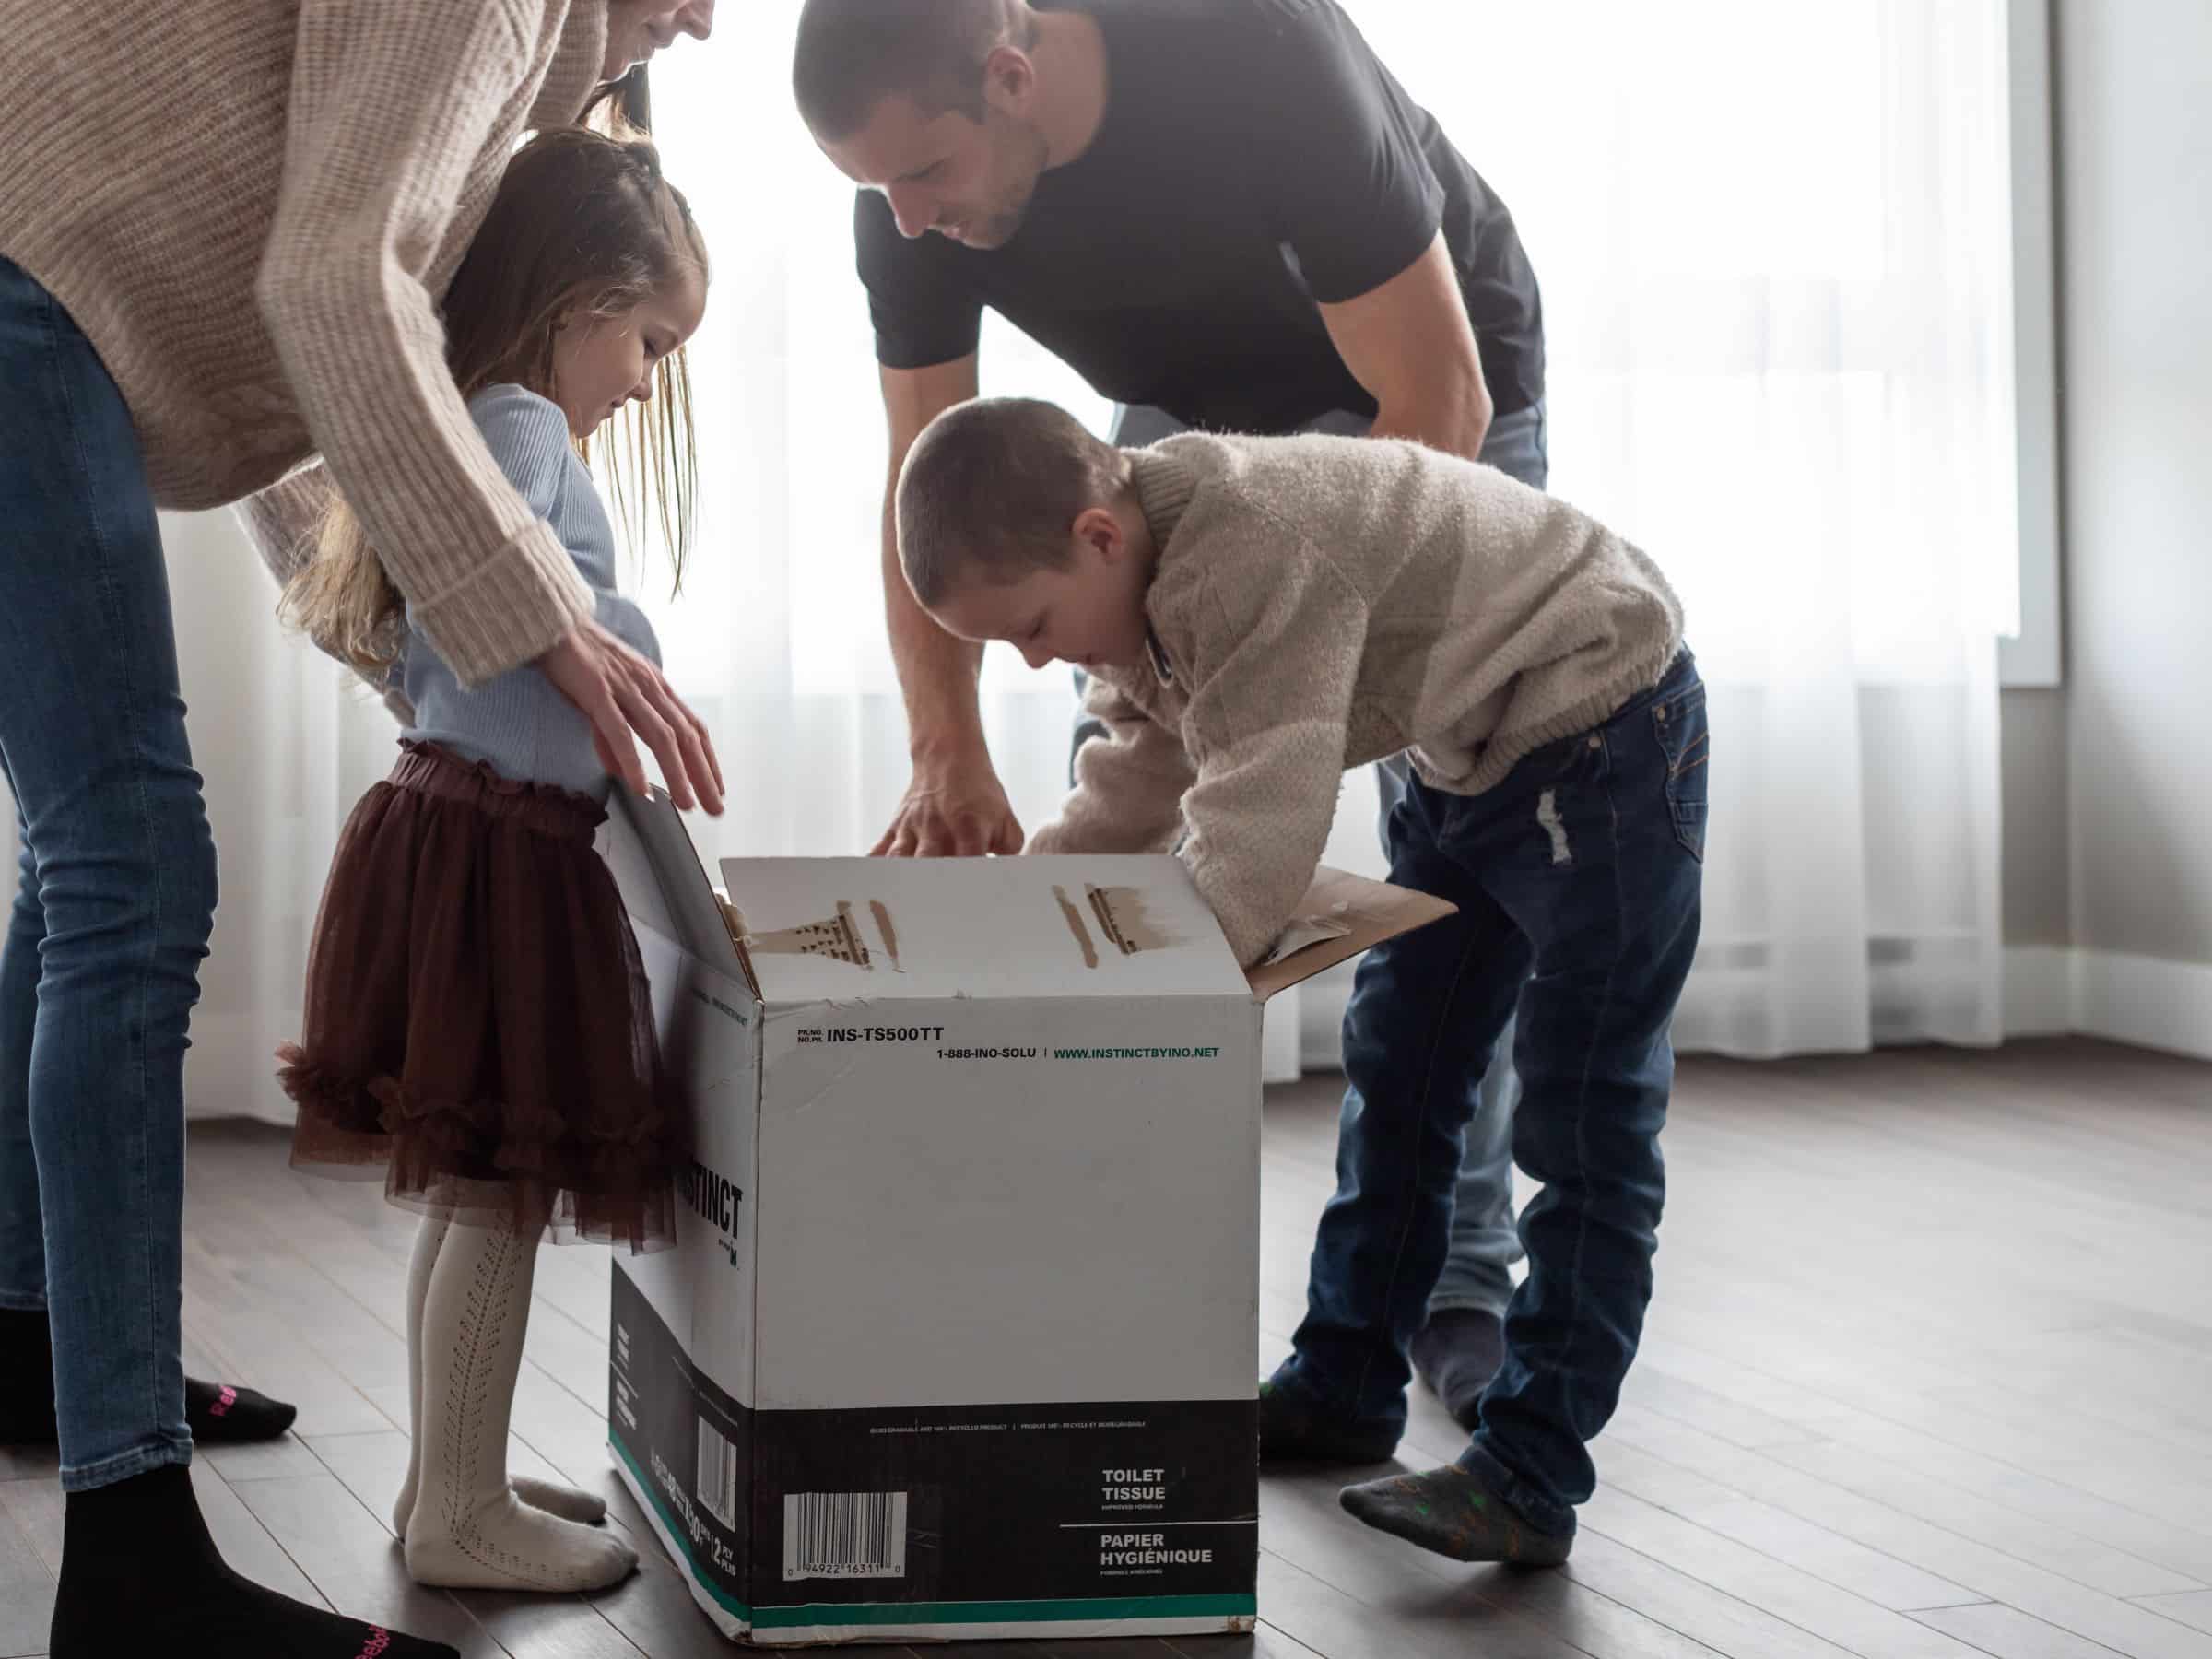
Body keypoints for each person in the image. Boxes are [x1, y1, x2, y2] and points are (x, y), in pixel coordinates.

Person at [0, 4, 718, 1653]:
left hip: (50, 298)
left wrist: (398, 612)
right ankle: (128, 1549)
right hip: (24, 286)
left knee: (79, 866)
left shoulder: (542, 64)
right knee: (131, 870)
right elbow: (327, 293)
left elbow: (307, 331)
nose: (704, 20)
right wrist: (537, 619)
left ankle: (35, 1333)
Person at [792, 0, 1544, 1416]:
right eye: (878, 192)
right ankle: (1108, 1237)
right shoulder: (908, 210)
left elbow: (1435, 402)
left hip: (1418, 394)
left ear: (1011, 78)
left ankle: (1456, 1279)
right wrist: (942, 753)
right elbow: (925, 493)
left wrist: (1282, 693)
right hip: (1180, 427)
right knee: (1127, 809)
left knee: (1450, 833)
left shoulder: (1256, 49)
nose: (905, 218)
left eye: (927, 176)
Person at [894, 397, 1705, 1567]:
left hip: (1605, 728)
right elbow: (1134, 779)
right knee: (1403, 1068)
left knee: (1584, 1111)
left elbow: (1257, 826)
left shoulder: (1246, 549)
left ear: (1098, 537)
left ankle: (1530, 1471)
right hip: (1467, 748)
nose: (1032, 660)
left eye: (1030, 627)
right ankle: (1345, 1383)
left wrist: (1127, 1014)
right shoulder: (1144, 586)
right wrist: (1019, 922)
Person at [276, 125, 708, 1595]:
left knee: (473, 1188)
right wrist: (632, 645)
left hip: (455, 825)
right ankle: (459, 1509)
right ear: (580, 295)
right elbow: (532, 613)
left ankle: (439, 1481)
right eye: (648, 339)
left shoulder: (467, 416)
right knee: (503, 1192)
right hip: (501, 850)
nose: (645, 380)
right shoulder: (520, 420)